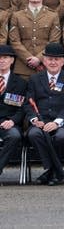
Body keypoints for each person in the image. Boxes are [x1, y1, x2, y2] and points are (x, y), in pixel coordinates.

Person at [25, 42, 64, 186]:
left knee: (61, 136)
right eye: (49, 59)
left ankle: (50, 171)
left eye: (57, 59)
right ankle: (54, 170)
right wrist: (34, 119)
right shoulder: (35, 79)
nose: (53, 62)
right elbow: (28, 102)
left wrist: (57, 122)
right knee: (34, 134)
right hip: (40, 121)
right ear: (44, 60)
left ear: (63, 61)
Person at [9, 0, 61, 78]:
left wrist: (38, 59)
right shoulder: (17, 15)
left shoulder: (53, 16)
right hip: (23, 67)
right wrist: (28, 58)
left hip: (45, 66)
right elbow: (14, 41)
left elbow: (54, 41)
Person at [0, 44, 27, 178]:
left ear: (12, 60)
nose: (1, 60)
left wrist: (12, 121)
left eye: (5, 57)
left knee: (14, 136)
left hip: (9, 122)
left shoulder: (21, 83)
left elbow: (23, 108)